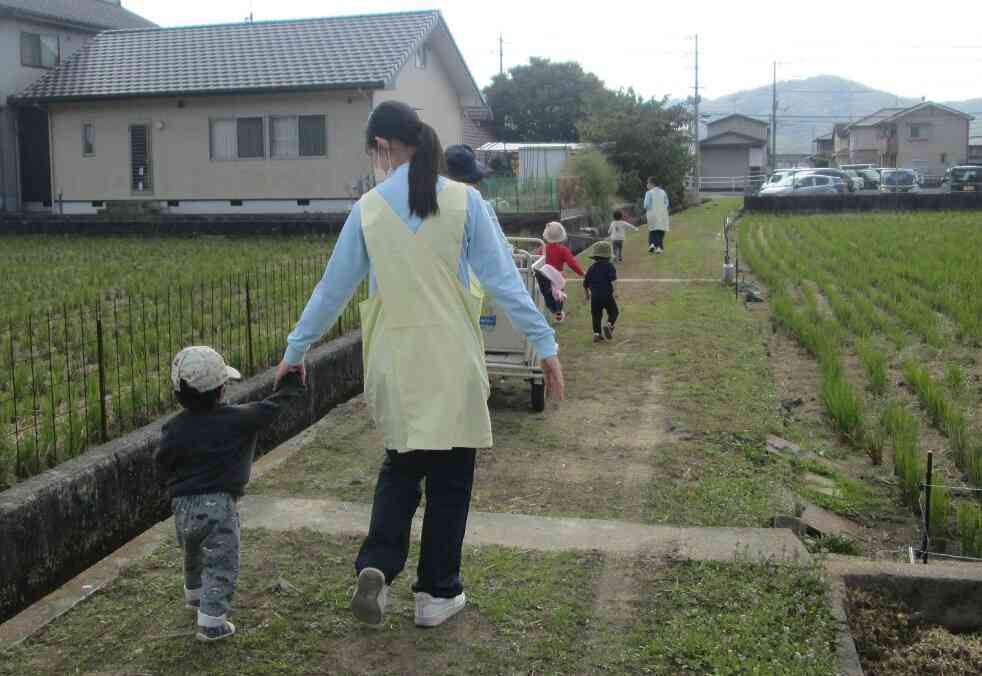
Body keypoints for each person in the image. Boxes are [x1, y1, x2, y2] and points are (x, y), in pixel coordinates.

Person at [275, 101, 564, 630]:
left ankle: (378, 564)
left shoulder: (367, 209)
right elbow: (504, 281)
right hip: (452, 360)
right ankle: (436, 593)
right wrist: (545, 345)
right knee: (450, 482)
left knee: (401, 470)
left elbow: (331, 291)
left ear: (382, 147)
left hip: (396, 362)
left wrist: (295, 352)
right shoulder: (465, 201)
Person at [156, 346, 305, 642]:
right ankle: (212, 623)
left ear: (178, 394)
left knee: (193, 553)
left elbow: (162, 461)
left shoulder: (172, 428)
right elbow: (271, 408)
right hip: (219, 506)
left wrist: (169, 489)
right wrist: (292, 384)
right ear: (222, 389)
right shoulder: (238, 419)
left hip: (182, 507)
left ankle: (194, 594)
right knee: (221, 563)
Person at [537, 221, 585, 322]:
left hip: (544, 276)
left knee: (547, 294)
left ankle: (550, 310)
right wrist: (582, 273)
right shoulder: (563, 250)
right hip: (557, 276)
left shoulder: (542, 249)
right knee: (559, 294)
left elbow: (537, 262)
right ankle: (558, 312)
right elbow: (572, 263)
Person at [583, 241, 619, 343]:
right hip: (607, 295)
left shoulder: (591, 268)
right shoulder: (610, 266)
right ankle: (609, 325)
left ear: (595, 257)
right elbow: (613, 281)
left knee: (596, 315)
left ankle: (597, 334)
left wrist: (587, 295)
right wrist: (615, 292)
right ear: (608, 256)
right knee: (614, 312)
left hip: (595, 297)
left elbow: (585, 284)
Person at [644, 178, 671, 254]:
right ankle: (657, 246)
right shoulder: (663, 192)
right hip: (663, 214)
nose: (647, 185)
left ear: (652, 184)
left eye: (648, 183)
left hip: (652, 214)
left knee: (653, 230)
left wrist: (650, 208)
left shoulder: (649, 193)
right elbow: (667, 203)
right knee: (661, 230)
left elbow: (646, 205)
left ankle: (654, 245)